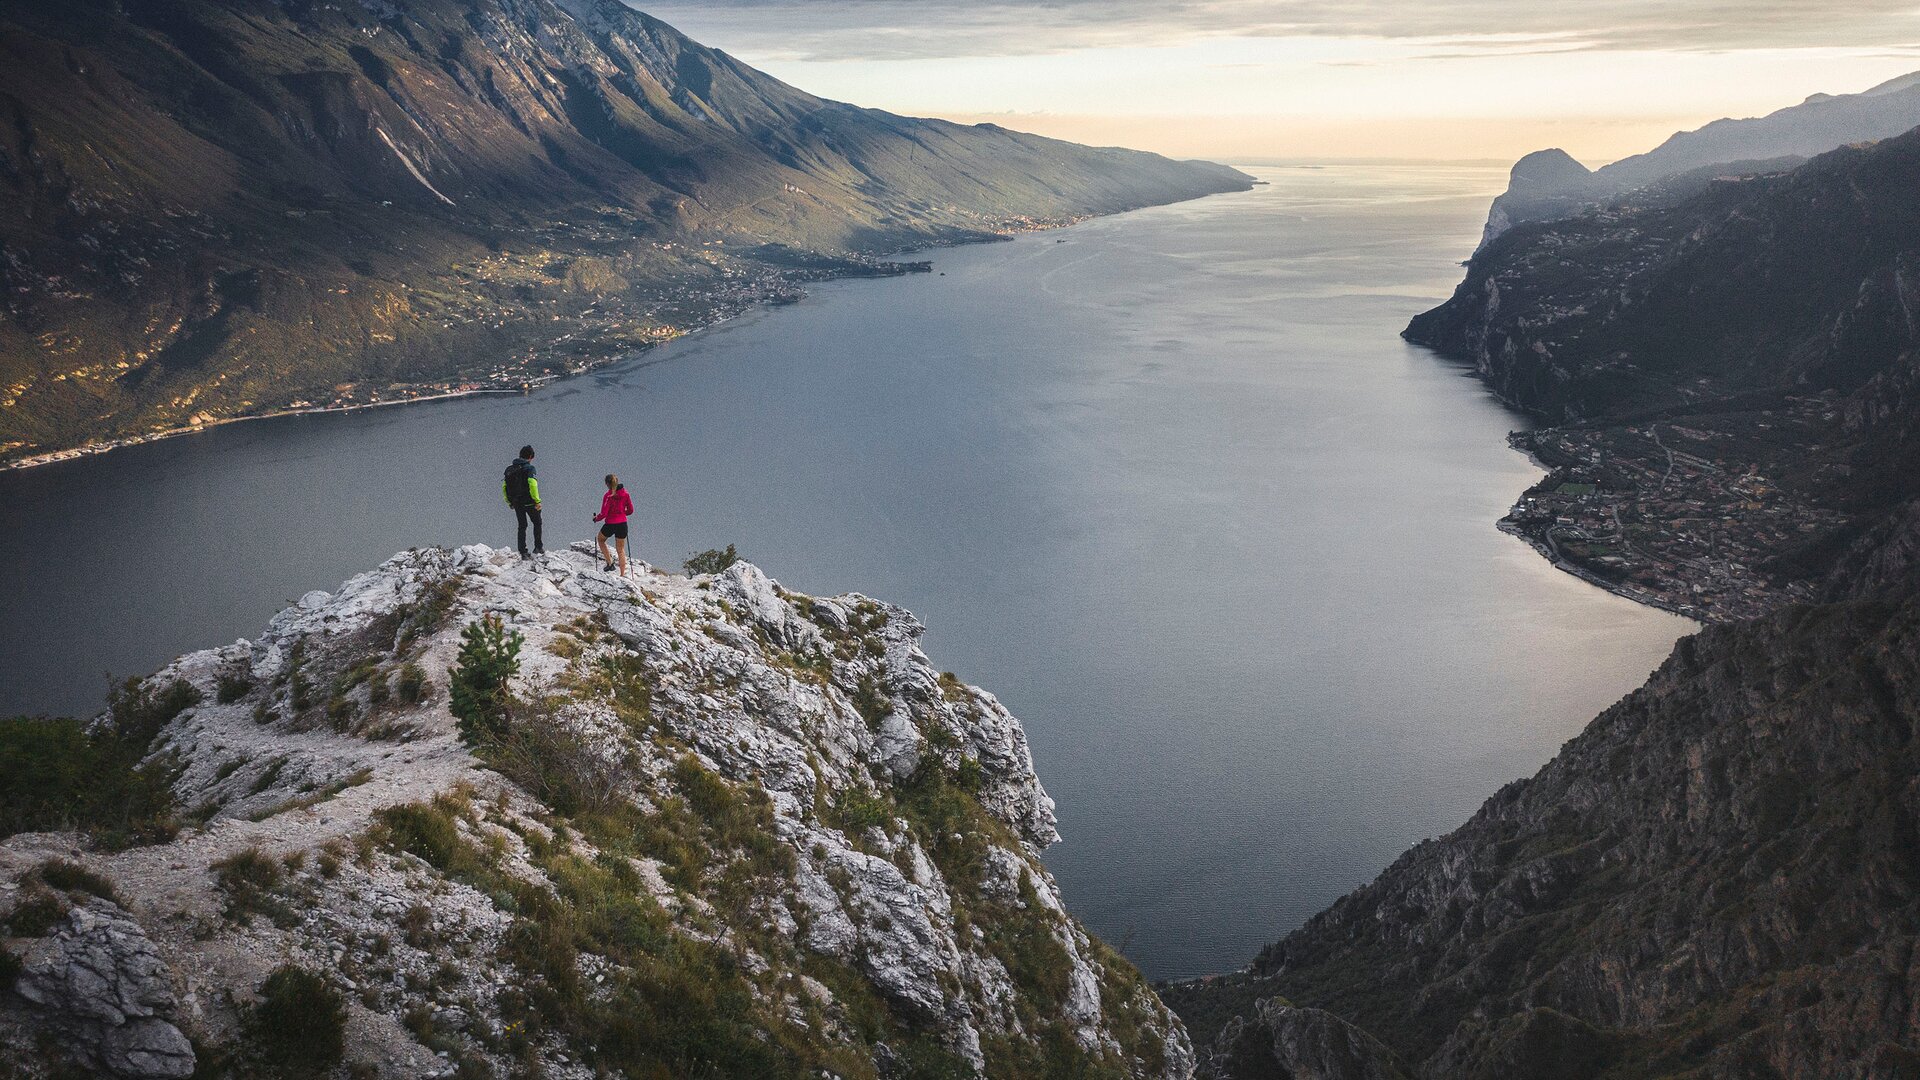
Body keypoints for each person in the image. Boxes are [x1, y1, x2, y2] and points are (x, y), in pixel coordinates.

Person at [502, 445, 543, 559]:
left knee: (522, 525)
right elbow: (532, 484)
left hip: (516, 502)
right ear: (531, 457)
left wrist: (509, 501)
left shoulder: (509, 469)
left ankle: (523, 551)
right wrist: (537, 500)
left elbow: (504, 486)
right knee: (537, 522)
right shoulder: (529, 468)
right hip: (529, 501)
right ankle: (538, 547)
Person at [593, 474, 634, 577]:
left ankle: (610, 563)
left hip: (611, 524)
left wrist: (596, 519)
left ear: (607, 484)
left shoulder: (608, 496)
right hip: (622, 524)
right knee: (620, 549)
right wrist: (623, 513)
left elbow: (604, 513)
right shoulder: (625, 494)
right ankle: (622, 574)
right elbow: (631, 510)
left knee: (601, 539)